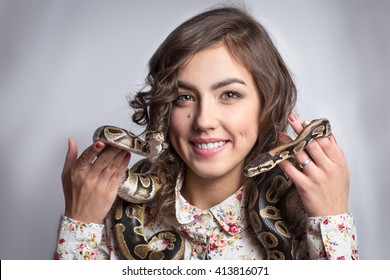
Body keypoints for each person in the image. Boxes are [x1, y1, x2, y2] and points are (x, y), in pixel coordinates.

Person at [55, 6, 358, 260]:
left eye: (229, 95)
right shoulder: (106, 212)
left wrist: (331, 221)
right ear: (164, 108)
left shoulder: (307, 217)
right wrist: (80, 223)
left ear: (266, 105)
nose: (203, 121)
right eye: (183, 97)